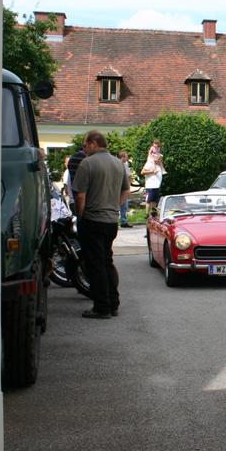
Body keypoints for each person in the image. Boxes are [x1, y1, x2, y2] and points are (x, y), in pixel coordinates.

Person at [72, 131, 129, 319]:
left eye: (85, 145)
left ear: (94, 143)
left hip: (92, 220)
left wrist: (81, 215)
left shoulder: (87, 163)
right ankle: (114, 303)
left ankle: (102, 307)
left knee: (95, 265)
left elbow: (80, 195)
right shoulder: (118, 163)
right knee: (107, 261)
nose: (84, 149)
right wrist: (115, 206)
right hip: (111, 221)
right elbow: (126, 191)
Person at [141, 147, 165, 213]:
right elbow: (142, 172)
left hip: (157, 186)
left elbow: (163, 171)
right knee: (149, 200)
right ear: (155, 158)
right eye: (158, 158)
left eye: (160, 159)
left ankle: (153, 214)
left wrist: (160, 164)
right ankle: (147, 214)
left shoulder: (159, 165)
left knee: (155, 201)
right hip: (150, 186)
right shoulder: (149, 164)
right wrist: (151, 172)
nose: (160, 160)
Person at [118, 151, 132, 228]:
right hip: (118, 187)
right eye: (126, 157)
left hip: (123, 187)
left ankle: (123, 221)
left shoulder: (125, 165)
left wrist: (128, 187)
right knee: (118, 204)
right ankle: (115, 221)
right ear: (122, 157)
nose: (127, 158)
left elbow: (129, 176)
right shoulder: (117, 164)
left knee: (124, 205)